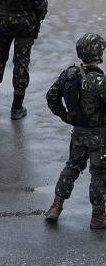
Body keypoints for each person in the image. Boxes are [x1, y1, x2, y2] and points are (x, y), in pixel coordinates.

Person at [43, 33, 106, 228]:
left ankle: (55, 207)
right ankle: (98, 217)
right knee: (98, 174)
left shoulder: (69, 74)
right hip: (99, 137)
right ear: (97, 53)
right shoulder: (101, 82)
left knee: (72, 167)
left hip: (78, 134)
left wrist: (66, 116)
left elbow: (51, 96)